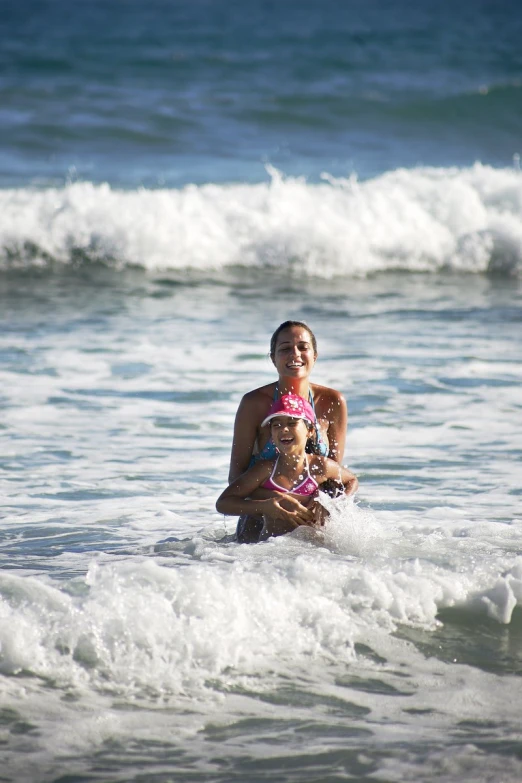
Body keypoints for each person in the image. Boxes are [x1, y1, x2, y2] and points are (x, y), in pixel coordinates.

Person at [228, 320, 349, 542]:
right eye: (285, 348)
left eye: (303, 347)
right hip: (261, 523)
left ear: (315, 355)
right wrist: (276, 501)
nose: (295, 353)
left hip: (312, 520)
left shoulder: (333, 401)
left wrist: (328, 503)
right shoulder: (254, 403)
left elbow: (335, 477)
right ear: (273, 358)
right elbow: (236, 479)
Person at [217, 393, 358, 540]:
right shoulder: (265, 469)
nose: (284, 429)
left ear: (309, 431)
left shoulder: (321, 466)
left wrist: (333, 504)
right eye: (277, 425)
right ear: (271, 434)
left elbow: (352, 480)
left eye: (292, 423)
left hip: (312, 556)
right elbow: (223, 503)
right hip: (270, 552)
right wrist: (264, 506)